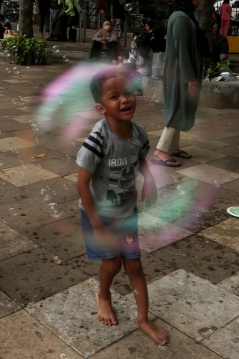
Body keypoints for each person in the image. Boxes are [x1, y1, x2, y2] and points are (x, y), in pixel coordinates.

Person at [77, 68, 169, 346]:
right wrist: (95, 223)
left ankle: (142, 318)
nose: (125, 100)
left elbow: (141, 157)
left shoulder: (138, 133)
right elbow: (82, 184)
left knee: (134, 266)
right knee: (112, 262)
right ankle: (103, 294)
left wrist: (149, 179)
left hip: (127, 213)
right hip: (99, 216)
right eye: (114, 96)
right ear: (101, 108)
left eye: (128, 92)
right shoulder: (98, 139)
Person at [153, 0, 202, 167]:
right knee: (177, 109)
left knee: (179, 107)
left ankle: (173, 147)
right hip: (179, 74)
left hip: (178, 72)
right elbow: (182, 49)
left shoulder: (181, 16)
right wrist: (190, 77)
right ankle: (162, 150)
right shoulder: (181, 18)